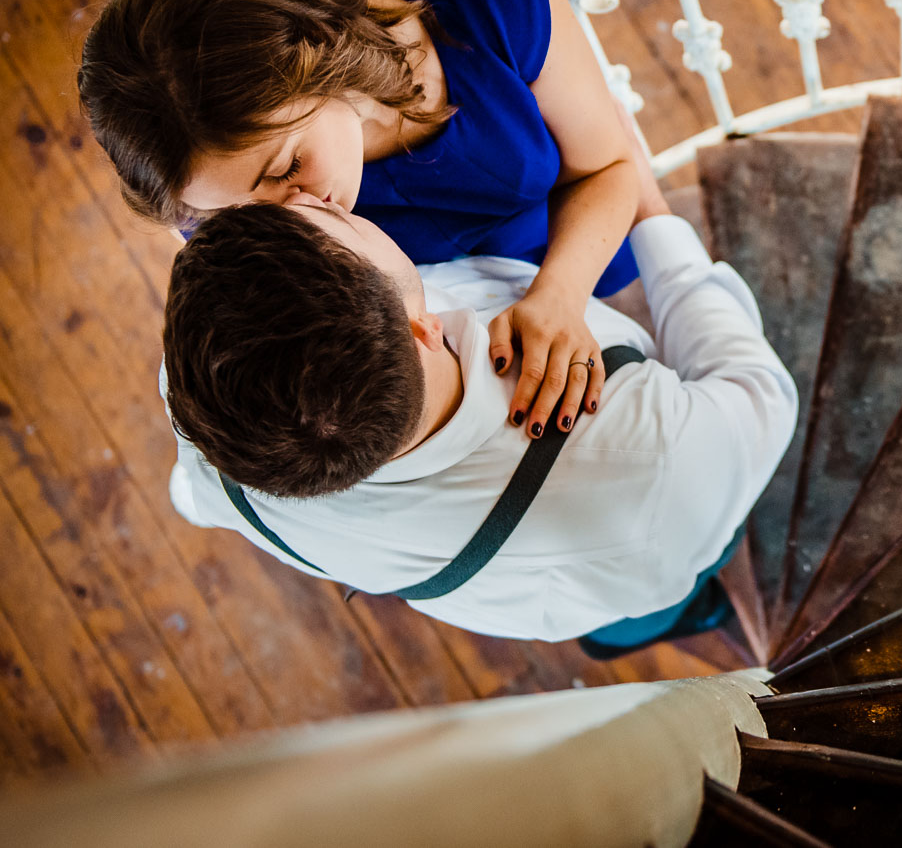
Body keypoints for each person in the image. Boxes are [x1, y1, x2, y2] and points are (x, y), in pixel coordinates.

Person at [159, 158, 798, 653]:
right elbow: (758, 390)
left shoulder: (212, 433)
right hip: (665, 538)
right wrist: (649, 208)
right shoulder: (657, 448)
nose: (303, 193)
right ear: (424, 330)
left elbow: (193, 498)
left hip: (505, 604)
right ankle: (686, 611)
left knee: (611, 630)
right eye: (338, 220)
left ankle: (646, 629)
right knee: (667, 592)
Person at [79, 0, 634, 442]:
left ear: (318, 54)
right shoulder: (210, 209)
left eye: (286, 169)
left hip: (584, 253)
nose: (296, 221)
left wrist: (561, 294)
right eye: (237, 214)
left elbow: (610, 166)